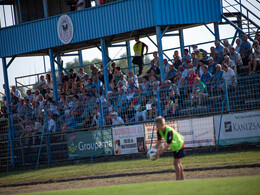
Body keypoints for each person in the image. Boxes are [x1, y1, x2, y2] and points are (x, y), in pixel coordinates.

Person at [153, 116, 185, 180]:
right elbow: (159, 142)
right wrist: (153, 151)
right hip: (175, 146)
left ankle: (178, 180)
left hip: (178, 144)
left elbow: (168, 146)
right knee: (178, 162)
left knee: (176, 163)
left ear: (162, 125)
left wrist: (159, 153)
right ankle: (182, 179)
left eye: (157, 126)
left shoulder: (169, 132)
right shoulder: (159, 131)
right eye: (156, 126)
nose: (156, 128)